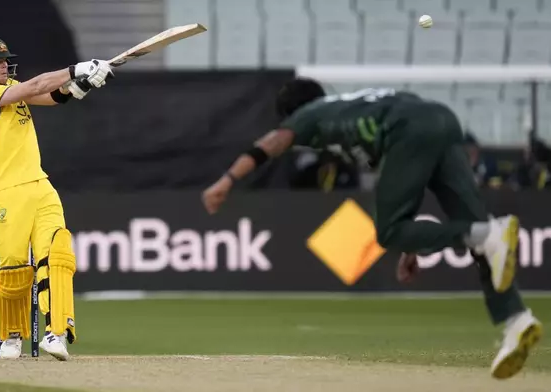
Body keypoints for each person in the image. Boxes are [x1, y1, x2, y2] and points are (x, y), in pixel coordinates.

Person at [201, 78, 542, 380]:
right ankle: (516, 319)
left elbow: (272, 142)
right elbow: (411, 176)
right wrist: (413, 245)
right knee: (481, 235)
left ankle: (486, 236)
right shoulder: (352, 109)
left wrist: (227, 181)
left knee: (390, 232)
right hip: (442, 119)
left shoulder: (310, 115)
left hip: (408, 130)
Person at [0, 36, 113, 361]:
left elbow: (51, 96)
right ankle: (11, 335)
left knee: (57, 253)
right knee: (15, 266)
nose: (5, 65)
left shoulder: (10, 88)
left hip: (39, 184)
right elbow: (35, 86)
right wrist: (76, 69)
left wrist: (80, 85)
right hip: (5, 191)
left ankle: (56, 333)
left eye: (5, 61)